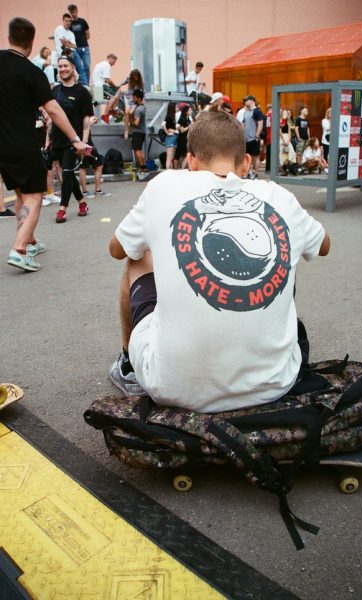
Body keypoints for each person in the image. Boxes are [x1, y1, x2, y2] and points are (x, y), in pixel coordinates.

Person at [108, 109, 330, 412]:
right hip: (276, 383)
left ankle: (129, 368)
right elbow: (324, 245)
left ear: (191, 160)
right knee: (289, 248)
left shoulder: (165, 186)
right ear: (247, 162)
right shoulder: (279, 197)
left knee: (138, 257)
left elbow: (118, 249)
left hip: (171, 386)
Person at [0, 17, 88, 272]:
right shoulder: (31, 71)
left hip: (2, 146)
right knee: (34, 196)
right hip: (23, 143)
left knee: (20, 193)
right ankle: (19, 249)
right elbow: (54, 109)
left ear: (9, 37)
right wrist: (76, 139)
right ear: (30, 42)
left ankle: (30, 240)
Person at [51, 55, 93, 223]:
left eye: (65, 66)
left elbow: (86, 119)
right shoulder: (55, 91)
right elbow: (51, 117)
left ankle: (62, 209)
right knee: (67, 174)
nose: (62, 69)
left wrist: (83, 142)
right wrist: (48, 139)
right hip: (57, 139)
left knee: (68, 171)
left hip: (74, 140)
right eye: (60, 66)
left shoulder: (81, 91)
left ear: (73, 67)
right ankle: (82, 203)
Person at [241, 95, 263, 178]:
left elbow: (260, 123)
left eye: (246, 100)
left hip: (253, 138)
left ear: (252, 101)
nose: (245, 102)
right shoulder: (246, 112)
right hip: (246, 139)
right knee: (247, 156)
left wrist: (257, 135)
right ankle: (248, 172)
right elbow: (243, 124)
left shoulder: (257, 111)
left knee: (256, 156)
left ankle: (255, 173)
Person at [67, 4, 90, 86]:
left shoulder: (82, 21)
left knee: (86, 66)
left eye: (74, 12)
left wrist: (82, 41)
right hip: (75, 48)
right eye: (71, 12)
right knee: (78, 67)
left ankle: (86, 84)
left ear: (77, 11)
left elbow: (88, 34)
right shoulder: (70, 24)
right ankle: (80, 84)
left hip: (84, 47)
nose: (73, 14)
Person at [125, 88, 146, 170]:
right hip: (141, 132)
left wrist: (129, 119)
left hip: (138, 132)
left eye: (134, 98)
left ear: (139, 98)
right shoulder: (142, 107)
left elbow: (136, 123)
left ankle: (142, 167)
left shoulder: (138, 109)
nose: (133, 100)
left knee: (137, 150)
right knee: (139, 150)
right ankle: (144, 167)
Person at [175, 104, 193, 169]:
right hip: (182, 139)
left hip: (187, 139)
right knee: (179, 155)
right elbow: (182, 130)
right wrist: (189, 127)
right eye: (190, 110)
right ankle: (180, 168)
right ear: (186, 111)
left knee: (185, 155)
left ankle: (184, 168)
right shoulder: (181, 119)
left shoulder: (188, 119)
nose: (191, 111)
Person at [161, 102, 178, 169]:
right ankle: (168, 171)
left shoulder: (173, 117)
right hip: (170, 138)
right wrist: (167, 133)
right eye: (176, 107)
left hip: (173, 138)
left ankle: (170, 171)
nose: (177, 108)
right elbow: (162, 124)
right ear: (172, 108)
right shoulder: (169, 117)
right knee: (169, 157)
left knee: (171, 158)